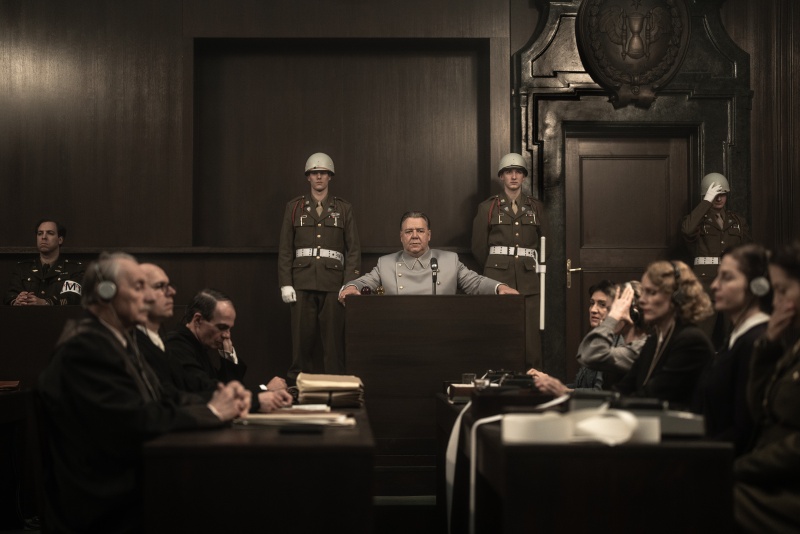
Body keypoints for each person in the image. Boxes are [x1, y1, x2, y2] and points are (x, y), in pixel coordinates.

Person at [37, 252, 250, 533]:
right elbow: (133, 419)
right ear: (105, 292)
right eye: (139, 288)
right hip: (101, 505)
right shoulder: (86, 348)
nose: (147, 298)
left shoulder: (115, 341)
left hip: (120, 485)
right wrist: (211, 412)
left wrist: (221, 400)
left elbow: (165, 396)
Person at [734, 241, 800, 533]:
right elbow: (760, 409)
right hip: (771, 479)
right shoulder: (792, 347)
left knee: (700, 496)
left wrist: (741, 467)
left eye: (783, 290)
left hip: (788, 490)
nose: (775, 302)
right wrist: (769, 347)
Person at [278, 152, 361, 381]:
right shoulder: (294, 207)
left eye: (323, 172)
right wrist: (285, 283)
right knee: (300, 344)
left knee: (333, 345)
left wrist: (349, 284)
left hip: (333, 285)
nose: (319, 177)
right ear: (308, 176)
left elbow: (353, 250)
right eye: (314, 173)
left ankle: (335, 386)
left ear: (330, 176)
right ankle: (297, 386)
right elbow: (285, 249)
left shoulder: (343, 208)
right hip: (301, 282)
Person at [472, 153, 547, 368]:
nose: (513, 176)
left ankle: (533, 380)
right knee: (498, 331)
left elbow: (546, 246)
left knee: (531, 339)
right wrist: (494, 270)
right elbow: (478, 247)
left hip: (528, 280)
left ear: (524, 176)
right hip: (497, 278)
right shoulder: (487, 207)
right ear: (501, 176)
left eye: (518, 172)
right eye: (508, 172)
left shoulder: (536, 207)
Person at [338, 211, 519, 300]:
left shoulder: (450, 260)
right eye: (408, 231)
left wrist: (499, 287)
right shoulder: (386, 263)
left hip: (441, 331)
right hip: (398, 331)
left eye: (420, 231)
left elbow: (475, 283)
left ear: (429, 235)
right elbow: (365, 282)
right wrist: (350, 287)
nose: (414, 236)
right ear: (401, 237)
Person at [696, 244, 771, 456]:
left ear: (757, 286)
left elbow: (745, 429)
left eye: (727, 278)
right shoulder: (735, 338)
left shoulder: (757, 340)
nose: (714, 285)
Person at [165, 288, 292, 411]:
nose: (227, 335)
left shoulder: (197, 344)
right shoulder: (176, 345)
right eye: (222, 327)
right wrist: (264, 389)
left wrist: (228, 356)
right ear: (198, 320)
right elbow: (212, 395)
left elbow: (229, 387)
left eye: (229, 329)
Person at [613, 260, 715, 410]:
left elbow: (653, 396)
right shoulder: (654, 340)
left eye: (651, 292)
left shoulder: (691, 341)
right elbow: (625, 387)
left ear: (677, 296)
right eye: (644, 292)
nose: (642, 301)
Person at [681, 172, 752, 345]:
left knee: (733, 335)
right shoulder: (697, 220)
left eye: (722, 194)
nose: (719, 198)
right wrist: (706, 202)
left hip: (731, 282)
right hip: (705, 283)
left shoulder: (737, 221)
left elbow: (746, 250)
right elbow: (688, 230)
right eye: (714, 195)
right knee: (702, 335)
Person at [529, 280, 622, 395]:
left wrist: (561, 390)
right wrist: (548, 382)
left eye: (602, 305)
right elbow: (579, 386)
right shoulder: (596, 339)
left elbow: (600, 393)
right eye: (592, 303)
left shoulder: (617, 344)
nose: (593, 310)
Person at [576, 280, 649, 391]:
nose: (609, 316)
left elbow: (588, 355)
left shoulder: (641, 348)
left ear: (632, 314)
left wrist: (611, 320)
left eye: (611, 309)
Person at [5, 219, 84, 305]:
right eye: (40, 233)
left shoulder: (74, 269)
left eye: (50, 233)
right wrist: (17, 301)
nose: (43, 237)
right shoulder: (22, 268)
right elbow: (9, 296)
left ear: (60, 240)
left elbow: (73, 297)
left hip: (58, 313)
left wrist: (46, 303)